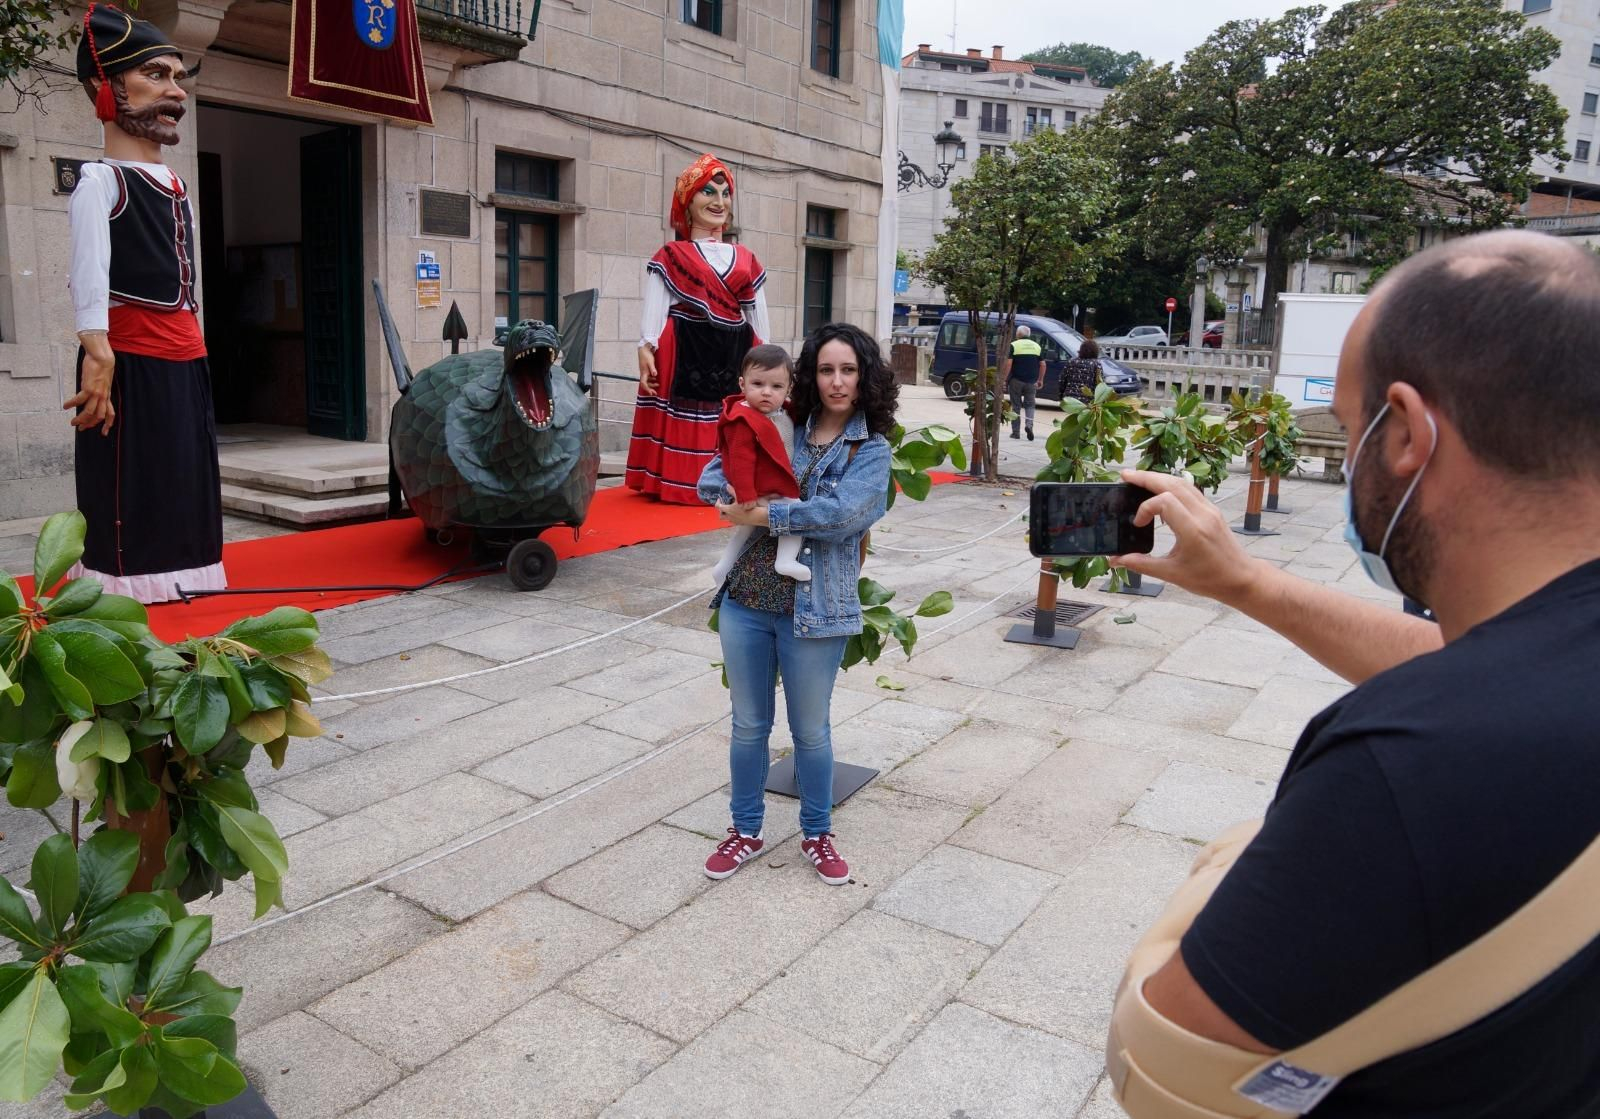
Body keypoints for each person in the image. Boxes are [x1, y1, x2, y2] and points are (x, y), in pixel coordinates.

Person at [1106, 229, 1600, 1117]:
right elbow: (1493, 664)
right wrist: (1248, 581)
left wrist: (1233, 859)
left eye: (1348, 425)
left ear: (1406, 432)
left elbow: (1160, 1064)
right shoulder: (1552, 666)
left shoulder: (1407, 765)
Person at [696, 322, 896, 886]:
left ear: (864, 378)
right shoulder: (779, 421)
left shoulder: (871, 450)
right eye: (826, 369)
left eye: (848, 370)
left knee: (811, 731)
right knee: (747, 726)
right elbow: (714, 474)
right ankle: (745, 830)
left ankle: (816, 832)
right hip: (746, 600)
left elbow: (843, 517)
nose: (836, 382)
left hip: (818, 608)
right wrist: (727, 496)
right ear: (809, 376)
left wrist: (761, 514)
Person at [65, 3, 226, 603]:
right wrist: (97, 355)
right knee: (134, 483)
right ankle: (128, 586)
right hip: (127, 357)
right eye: (156, 75)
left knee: (185, 474)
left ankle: (185, 573)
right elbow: (88, 275)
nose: (173, 90)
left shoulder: (176, 183)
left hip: (184, 356)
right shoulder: (100, 181)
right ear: (105, 87)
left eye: (177, 77)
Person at [624, 154, 770, 504]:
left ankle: (730, 482)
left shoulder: (746, 257)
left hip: (735, 346)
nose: (719, 202)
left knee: (729, 412)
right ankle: (680, 482)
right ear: (688, 203)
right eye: (708, 192)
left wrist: (768, 354)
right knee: (685, 407)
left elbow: (757, 311)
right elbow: (656, 305)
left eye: (725, 193)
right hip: (684, 342)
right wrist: (646, 345)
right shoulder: (672, 254)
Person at [709, 344, 809, 587]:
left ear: (788, 389)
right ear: (743, 385)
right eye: (758, 384)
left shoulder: (783, 411)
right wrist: (746, 495)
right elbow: (740, 460)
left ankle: (722, 567)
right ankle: (785, 560)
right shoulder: (741, 420)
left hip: (770, 482)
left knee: (745, 530)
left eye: (776, 387)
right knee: (795, 513)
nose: (766, 392)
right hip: (761, 486)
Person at [1006, 324, 1043, 440]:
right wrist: (1040, 379)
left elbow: (1009, 363)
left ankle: (1015, 432)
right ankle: (1029, 426)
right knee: (1030, 405)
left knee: (1016, 406)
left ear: (1018, 334)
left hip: (1016, 380)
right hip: (1031, 382)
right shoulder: (1037, 346)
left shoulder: (1013, 345)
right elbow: (1043, 364)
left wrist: (1003, 379)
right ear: (1029, 335)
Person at [1060, 337, 1103, 405]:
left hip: (1070, 399)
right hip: (1087, 400)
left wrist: (1061, 396)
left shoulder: (1071, 362)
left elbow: (1062, 381)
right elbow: (1099, 384)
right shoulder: (1096, 364)